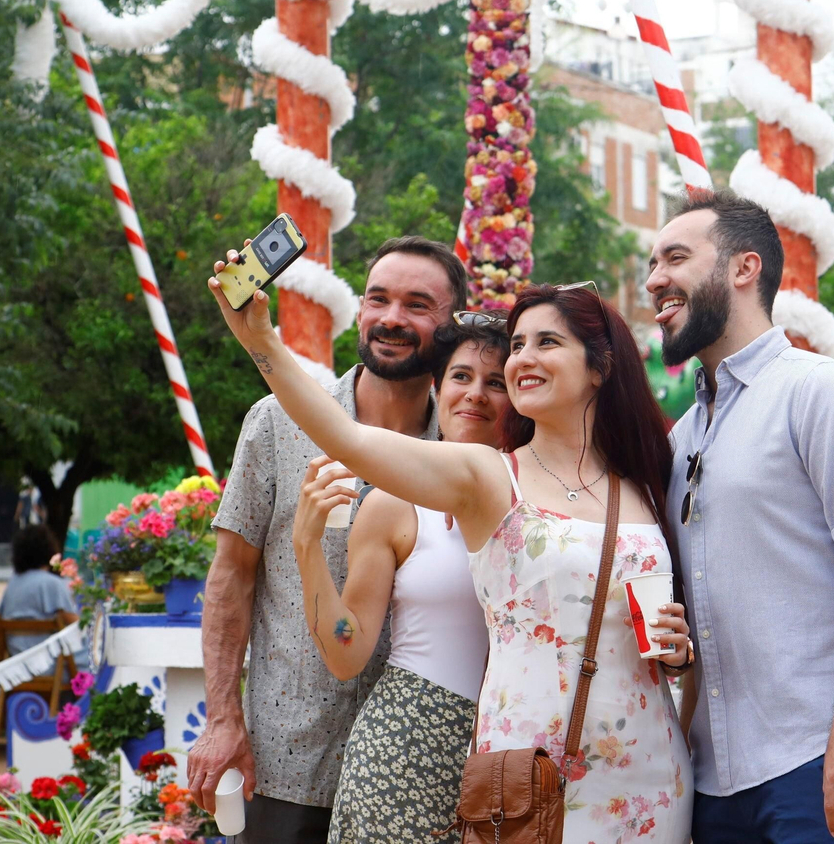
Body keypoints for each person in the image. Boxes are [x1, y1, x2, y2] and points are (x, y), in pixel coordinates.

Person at [208, 269, 696, 843]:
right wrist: (261, 342)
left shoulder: (646, 479)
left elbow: (664, 628)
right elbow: (349, 439)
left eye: (546, 342)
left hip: (647, 771)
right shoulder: (483, 477)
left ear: (601, 366)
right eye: (518, 344)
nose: (521, 359)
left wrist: (678, 651)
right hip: (516, 770)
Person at [644, 191, 834, 844]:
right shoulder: (682, 438)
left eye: (675, 258)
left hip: (823, 755)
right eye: (651, 263)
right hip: (715, 779)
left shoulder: (822, 391)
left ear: (745, 268)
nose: (653, 279)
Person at [188, 236, 466, 844]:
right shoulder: (275, 422)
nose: (391, 318)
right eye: (378, 299)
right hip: (286, 760)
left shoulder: (466, 454)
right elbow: (231, 573)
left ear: (454, 325)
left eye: (418, 305)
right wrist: (223, 718)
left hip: (417, 779)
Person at [297, 317, 508, 844]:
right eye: (461, 376)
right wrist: (306, 547)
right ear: (437, 387)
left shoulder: (546, 503)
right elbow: (346, 652)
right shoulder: (394, 504)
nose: (476, 394)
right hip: (404, 749)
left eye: (496, 382)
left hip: (516, 750)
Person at [0, 525, 79, 651]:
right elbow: (73, 622)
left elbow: (0, 614)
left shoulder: (13, 583)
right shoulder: (52, 584)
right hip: (48, 656)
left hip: (16, 655)